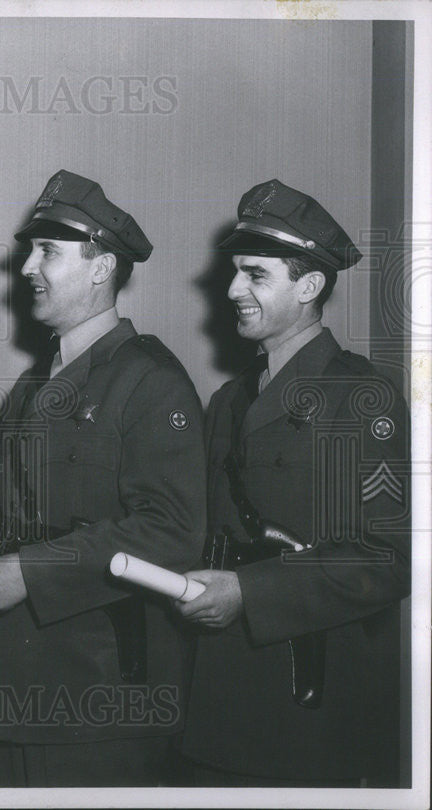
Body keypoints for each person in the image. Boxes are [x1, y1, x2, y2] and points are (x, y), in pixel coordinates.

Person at [0, 170, 206, 786]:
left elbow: (173, 530)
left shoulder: (151, 380)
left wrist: (31, 571)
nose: (27, 266)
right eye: (31, 249)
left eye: (47, 252)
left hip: (101, 697)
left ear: (102, 267)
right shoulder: (39, 383)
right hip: (20, 685)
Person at [177, 179, 411, 787]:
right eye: (234, 273)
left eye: (255, 275)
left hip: (312, 703)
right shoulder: (228, 400)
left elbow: (384, 559)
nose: (232, 290)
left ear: (309, 286)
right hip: (220, 701)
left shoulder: (361, 396)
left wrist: (250, 594)